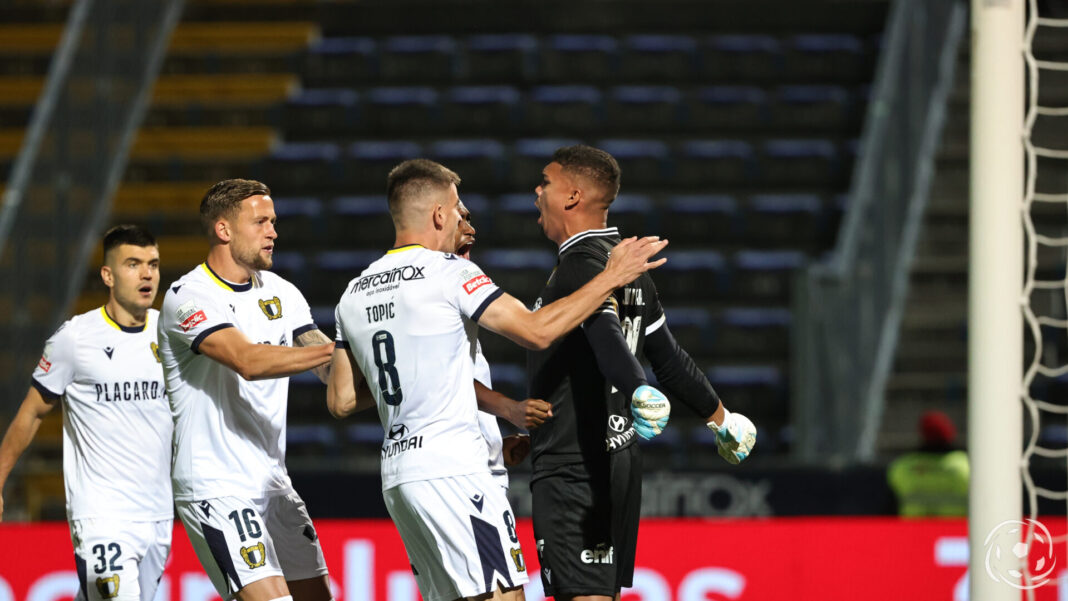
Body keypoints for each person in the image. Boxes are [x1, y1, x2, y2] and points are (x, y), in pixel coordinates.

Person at [325, 159, 667, 601]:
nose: (463, 216)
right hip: (456, 474)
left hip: (400, 477)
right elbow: (537, 330)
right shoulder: (449, 272)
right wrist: (612, 277)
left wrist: (494, 420)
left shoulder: (354, 292)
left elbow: (342, 399)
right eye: (458, 207)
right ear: (438, 215)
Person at [526, 145, 757, 601]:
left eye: (546, 183)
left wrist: (637, 388)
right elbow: (669, 357)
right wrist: (721, 418)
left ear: (572, 196)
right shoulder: (626, 267)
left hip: (577, 465)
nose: (537, 191)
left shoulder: (581, 265)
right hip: (619, 461)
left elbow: (605, 332)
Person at [156, 179, 336, 601]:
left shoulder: (283, 293)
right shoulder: (188, 297)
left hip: (274, 482)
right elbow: (248, 361)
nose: (273, 231)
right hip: (217, 484)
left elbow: (327, 366)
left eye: (273, 221)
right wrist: (339, 348)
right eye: (260, 222)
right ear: (223, 230)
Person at [0, 225, 171, 601]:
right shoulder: (75, 339)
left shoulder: (171, 333)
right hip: (101, 515)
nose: (147, 274)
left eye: (153, 264)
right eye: (133, 264)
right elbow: (31, 413)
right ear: (108, 275)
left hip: (158, 513)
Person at [887, 410, 969, 517]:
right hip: (956, 530)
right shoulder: (965, 465)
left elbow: (889, 506)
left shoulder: (903, 466)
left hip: (912, 530)